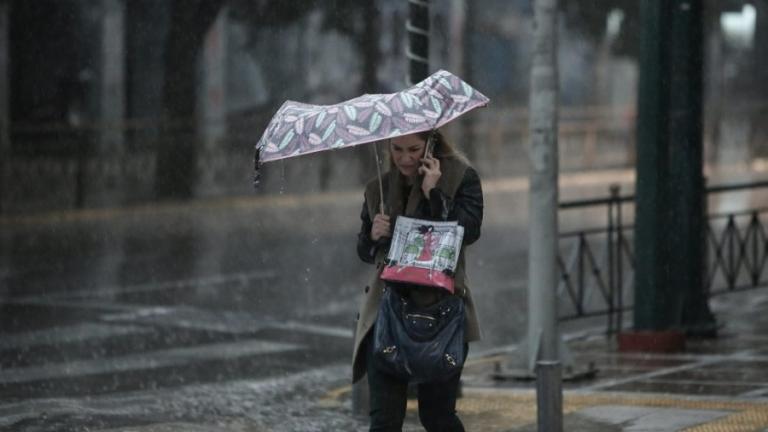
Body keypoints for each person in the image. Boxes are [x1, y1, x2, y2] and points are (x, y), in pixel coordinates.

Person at [352, 129, 484, 432]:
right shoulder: (379, 189)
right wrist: (373, 236)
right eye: (397, 149)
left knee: (437, 417)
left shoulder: (460, 177)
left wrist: (434, 195)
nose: (405, 158)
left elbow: (469, 231)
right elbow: (363, 250)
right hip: (385, 316)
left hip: (441, 314)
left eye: (413, 149)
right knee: (384, 420)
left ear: (431, 145)